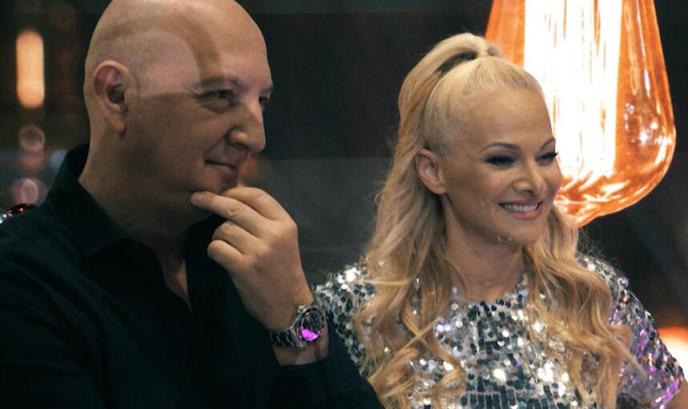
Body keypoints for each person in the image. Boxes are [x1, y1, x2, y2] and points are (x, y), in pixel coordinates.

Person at [0, 0, 381, 408]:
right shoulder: (21, 280)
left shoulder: (254, 263)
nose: (256, 137)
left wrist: (295, 315)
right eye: (221, 95)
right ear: (116, 96)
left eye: (262, 102)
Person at [315, 33, 687, 408]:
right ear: (432, 171)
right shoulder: (359, 310)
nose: (535, 182)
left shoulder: (592, 299)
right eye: (502, 160)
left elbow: (672, 396)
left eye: (546, 156)